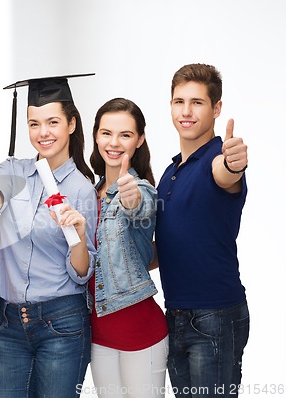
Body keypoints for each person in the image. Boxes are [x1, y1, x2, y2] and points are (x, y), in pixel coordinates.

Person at [0, 74, 97, 398]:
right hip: (9, 324)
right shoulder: (11, 171)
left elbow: (82, 273)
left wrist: (79, 237)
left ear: (71, 124)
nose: (43, 133)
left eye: (52, 122)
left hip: (62, 323)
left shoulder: (81, 189)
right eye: (34, 123)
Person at [154, 63, 250, 398]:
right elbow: (165, 247)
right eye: (179, 102)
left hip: (215, 316)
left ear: (216, 108)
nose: (186, 111)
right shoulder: (169, 173)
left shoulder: (217, 160)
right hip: (175, 313)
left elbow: (226, 173)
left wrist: (233, 162)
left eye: (197, 102)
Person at [88, 98, 168, 398]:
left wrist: (131, 197)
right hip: (99, 335)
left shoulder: (142, 188)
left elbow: (141, 208)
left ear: (140, 139)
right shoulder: (89, 192)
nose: (114, 142)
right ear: (96, 135)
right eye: (106, 133)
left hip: (140, 331)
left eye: (125, 135)